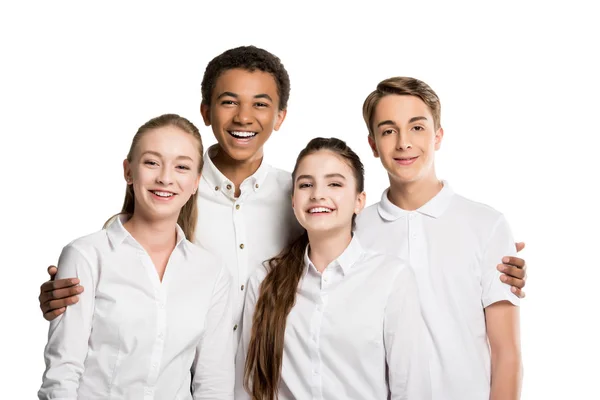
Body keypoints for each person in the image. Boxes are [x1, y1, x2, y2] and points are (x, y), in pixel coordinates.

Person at [37, 46, 527, 346]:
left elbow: (366, 264)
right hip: (176, 376)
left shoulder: (300, 197)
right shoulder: (174, 186)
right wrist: (69, 291)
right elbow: (117, 266)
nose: (244, 117)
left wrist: (485, 259)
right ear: (206, 110)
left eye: (261, 104)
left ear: (281, 117)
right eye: (229, 102)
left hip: (272, 378)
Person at [38, 114, 234, 399]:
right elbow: (62, 374)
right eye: (152, 162)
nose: (165, 178)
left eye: (181, 167)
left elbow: (213, 382)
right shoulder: (86, 256)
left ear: (195, 182)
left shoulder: (211, 272)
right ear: (129, 171)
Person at [357, 77, 523, 399]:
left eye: (417, 127)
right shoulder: (355, 231)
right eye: (389, 130)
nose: (404, 142)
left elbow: (507, 356)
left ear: (438, 136)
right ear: (373, 144)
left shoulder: (487, 226)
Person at [240, 137, 430, 399]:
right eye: (306, 184)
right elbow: (247, 385)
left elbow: (412, 389)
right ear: (294, 201)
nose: (318, 194)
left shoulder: (391, 278)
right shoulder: (264, 280)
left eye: (334, 184)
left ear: (359, 201)